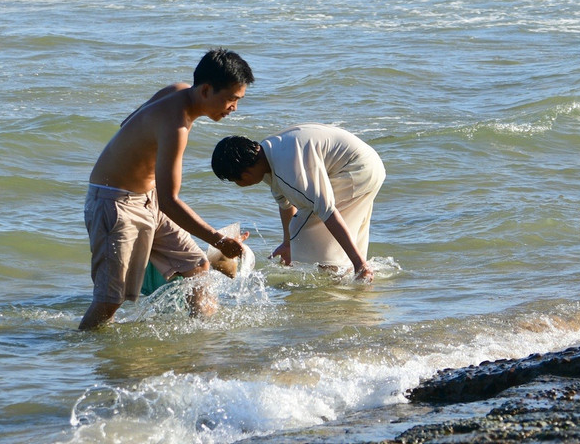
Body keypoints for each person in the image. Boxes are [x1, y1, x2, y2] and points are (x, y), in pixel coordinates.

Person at [80, 49, 254, 330]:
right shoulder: (175, 127)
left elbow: (128, 123)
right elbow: (171, 201)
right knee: (110, 300)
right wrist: (219, 241)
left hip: (147, 200)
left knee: (196, 267)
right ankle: (79, 351)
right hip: (115, 204)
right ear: (207, 90)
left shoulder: (179, 91)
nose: (234, 107)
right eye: (232, 98)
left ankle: (205, 337)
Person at [211, 123, 385, 282]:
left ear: (245, 173)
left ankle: (355, 271)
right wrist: (287, 244)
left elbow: (327, 211)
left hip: (355, 168)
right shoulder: (268, 154)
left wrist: (359, 262)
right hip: (368, 165)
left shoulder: (287, 169)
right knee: (309, 235)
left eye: (235, 180)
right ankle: (355, 280)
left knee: (303, 233)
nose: (239, 185)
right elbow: (285, 204)